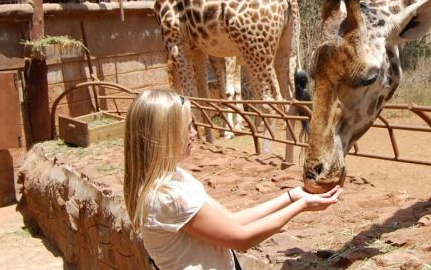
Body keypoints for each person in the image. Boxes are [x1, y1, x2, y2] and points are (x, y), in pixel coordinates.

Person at [123, 89, 342, 270]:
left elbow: (231, 220)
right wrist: (301, 206)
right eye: (187, 127)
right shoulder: (168, 197)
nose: (194, 134)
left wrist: (291, 196)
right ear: (164, 134)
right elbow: (241, 238)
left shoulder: (175, 178)